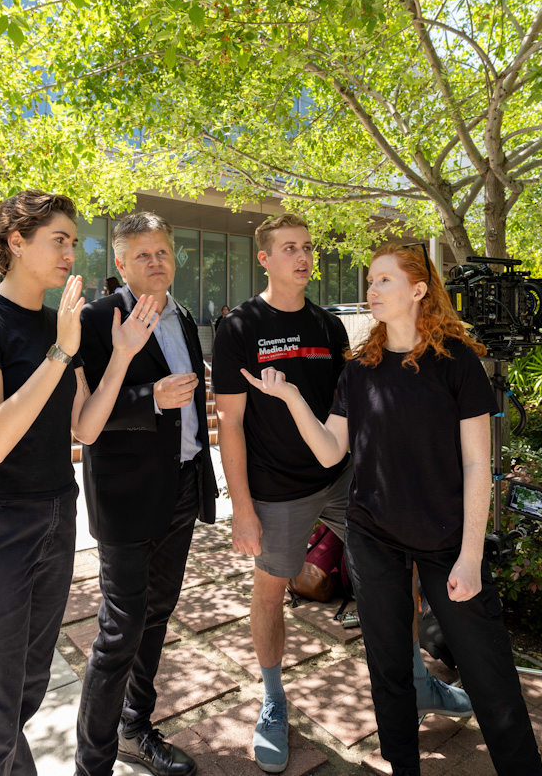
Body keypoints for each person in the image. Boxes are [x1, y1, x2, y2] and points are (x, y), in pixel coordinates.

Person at [241, 243, 542, 776]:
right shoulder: (360, 370)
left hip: (447, 540)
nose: (371, 290)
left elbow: (479, 467)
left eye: (384, 281)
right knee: (387, 670)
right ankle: (403, 766)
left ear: (419, 290)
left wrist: (471, 557)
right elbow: (332, 451)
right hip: (373, 536)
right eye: (371, 281)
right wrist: (290, 398)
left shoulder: (457, 365)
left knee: (488, 671)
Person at [213, 216, 469, 774]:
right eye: (288, 249)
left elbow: (346, 412)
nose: (303, 257)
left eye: (307, 248)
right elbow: (229, 423)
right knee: (270, 592)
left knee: (393, 571)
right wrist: (243, 509)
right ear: (265, 259)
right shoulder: (239, 326)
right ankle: (274, 700)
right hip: (277, 489)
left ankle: (419, 682)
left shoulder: (329, 326)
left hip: (342, 477)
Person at [0, 190, 163, 776]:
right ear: (15, 241)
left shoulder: (60, 326)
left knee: (22, 695)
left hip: (54, 515)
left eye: (73, 240)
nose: (71, 251)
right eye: (58, 239)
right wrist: (61, 352)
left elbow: (84, 427)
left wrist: (119, 356)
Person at [74, 212, 217, 776]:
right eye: (142, 255)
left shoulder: (181, 316)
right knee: (119, 632)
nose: (155, 263)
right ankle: (93, 763)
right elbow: (85, 417)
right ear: (120, 263)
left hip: (181, 486)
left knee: (157, 615)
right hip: (127, 497)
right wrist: (150, 396)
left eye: (162, 252)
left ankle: (136, 727)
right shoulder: (96, 319)